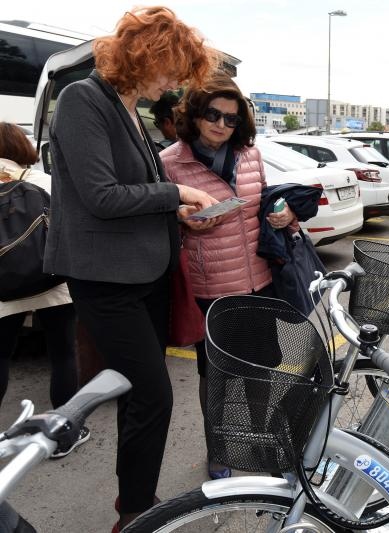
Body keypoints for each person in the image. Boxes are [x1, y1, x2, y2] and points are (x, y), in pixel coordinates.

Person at [42, 7, 219, 531]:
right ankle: (137, 513)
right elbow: (101, 195)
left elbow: (130, 196)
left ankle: (136, 500)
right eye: (171, 69)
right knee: (153, 395)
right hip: (107, 279)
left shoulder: (126, 108)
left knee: (143, 397)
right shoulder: (83, 99)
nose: (173, 84)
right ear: (145, 56)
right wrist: (175, 192)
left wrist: (180, 215)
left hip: (143, 274)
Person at [160, 74, 297, 479]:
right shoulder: (170, 162)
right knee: (215, 375)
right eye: (213, 115)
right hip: (210, 288)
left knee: (262, 370)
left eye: (232, 119)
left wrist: (285, 215)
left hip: (258, 279)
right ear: (195, 115)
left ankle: (261, 441)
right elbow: (160, 221)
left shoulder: (250, 155)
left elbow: (268, 201)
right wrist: (183, 221)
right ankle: (218, 451)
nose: (221, 125)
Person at [0, 122, 87, 458]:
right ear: (23, 148)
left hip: (3, 287)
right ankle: (62, 435)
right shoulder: (44, 182)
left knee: (1, 355)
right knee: (63, 352)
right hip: (52, 280)